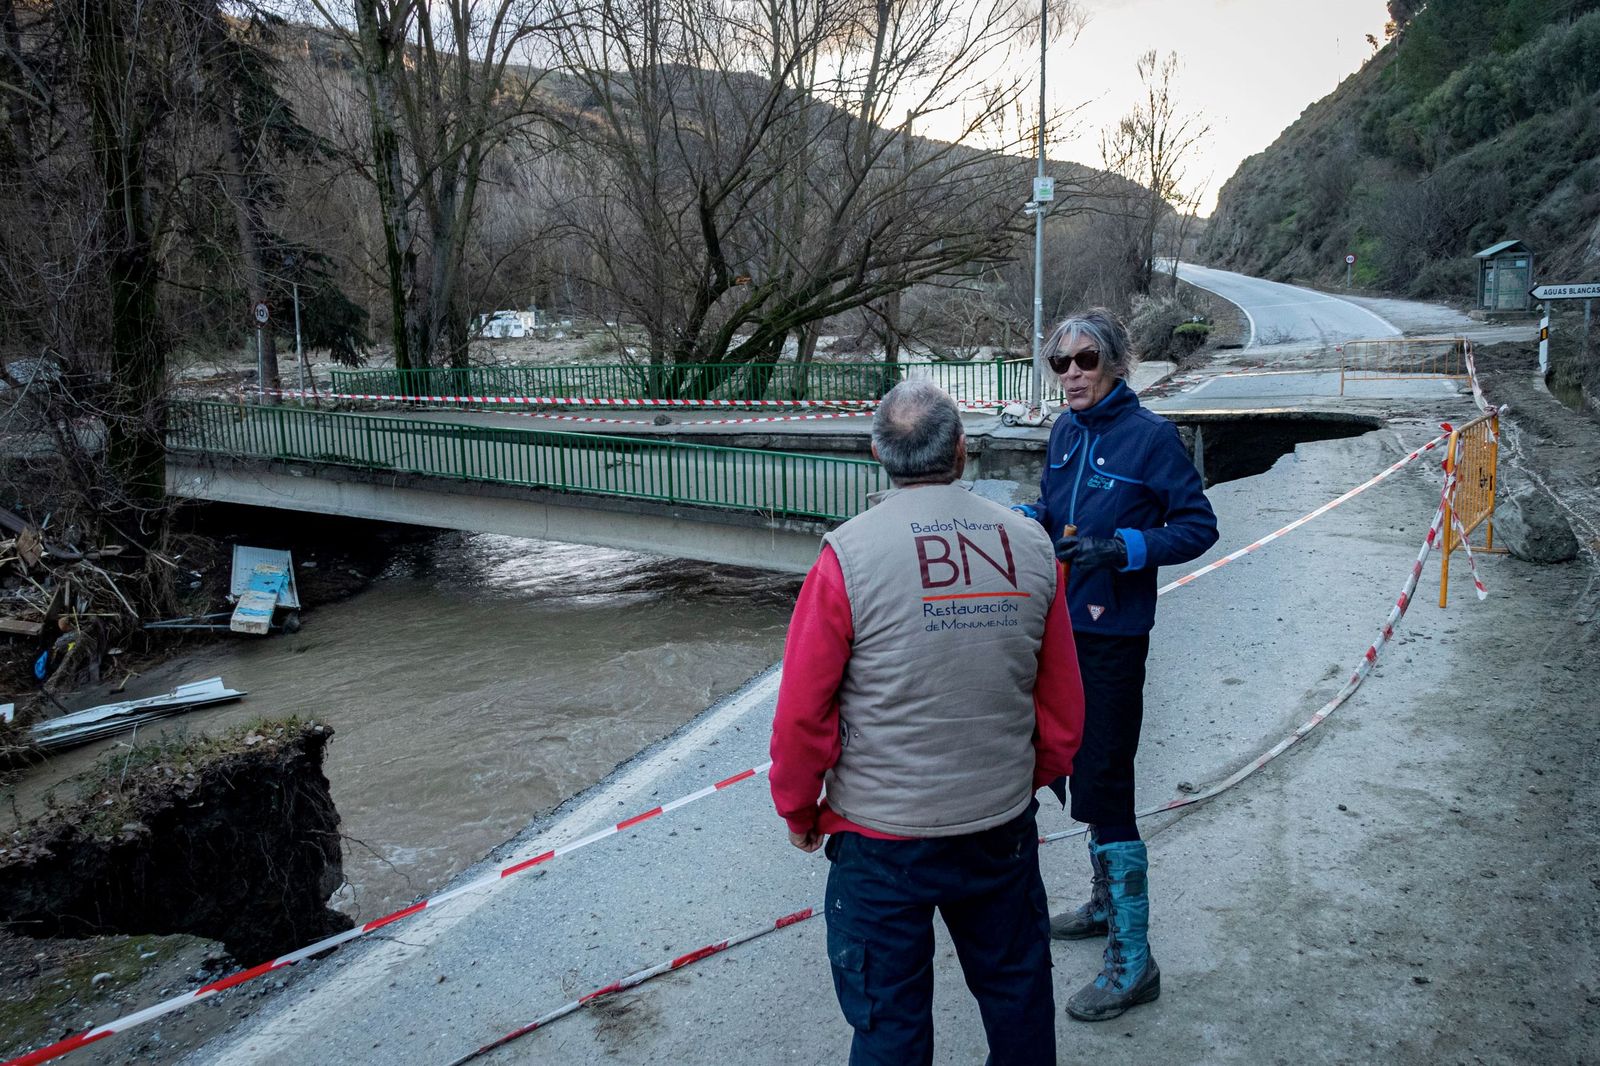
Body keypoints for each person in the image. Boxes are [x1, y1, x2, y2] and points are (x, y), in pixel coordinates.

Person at [769, 379, 1084, 1066]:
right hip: (997, 826)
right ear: (962, 451)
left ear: (877, 453)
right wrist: (1026, 779)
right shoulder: (1029, 545)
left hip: (881, 840)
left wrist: (799, 809)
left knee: (889, 1025)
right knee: (1017, 996)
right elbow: (1061, 706)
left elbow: (802, 714)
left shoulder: (846, 557)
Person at [1014, 307, 1218, 1023]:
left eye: (1085, 359)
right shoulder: (1066, 430)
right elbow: (1054, 508)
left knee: (1106, 780)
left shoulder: (1151, 438)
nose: (1070, 373)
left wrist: (1123, 548)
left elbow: (1197, 527)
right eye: (1058, 363)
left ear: (1117, 363)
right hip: (1058, 632)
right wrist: (1023, 517)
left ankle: (1135, 962)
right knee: (1073, 773)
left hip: (1112, 638)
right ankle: (1104, 903)